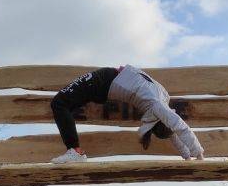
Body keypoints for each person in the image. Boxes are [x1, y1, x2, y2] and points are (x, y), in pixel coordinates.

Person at [50, 65, 205, 163]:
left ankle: (75, 151)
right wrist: (198, 153)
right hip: (102, 82)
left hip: (104, 82)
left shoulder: (163, 99)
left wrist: (189, 156)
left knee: (61, 103)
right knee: (61, 103)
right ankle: (75, 151)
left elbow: (174, 131)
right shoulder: (157, 106)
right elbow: (178, 127)